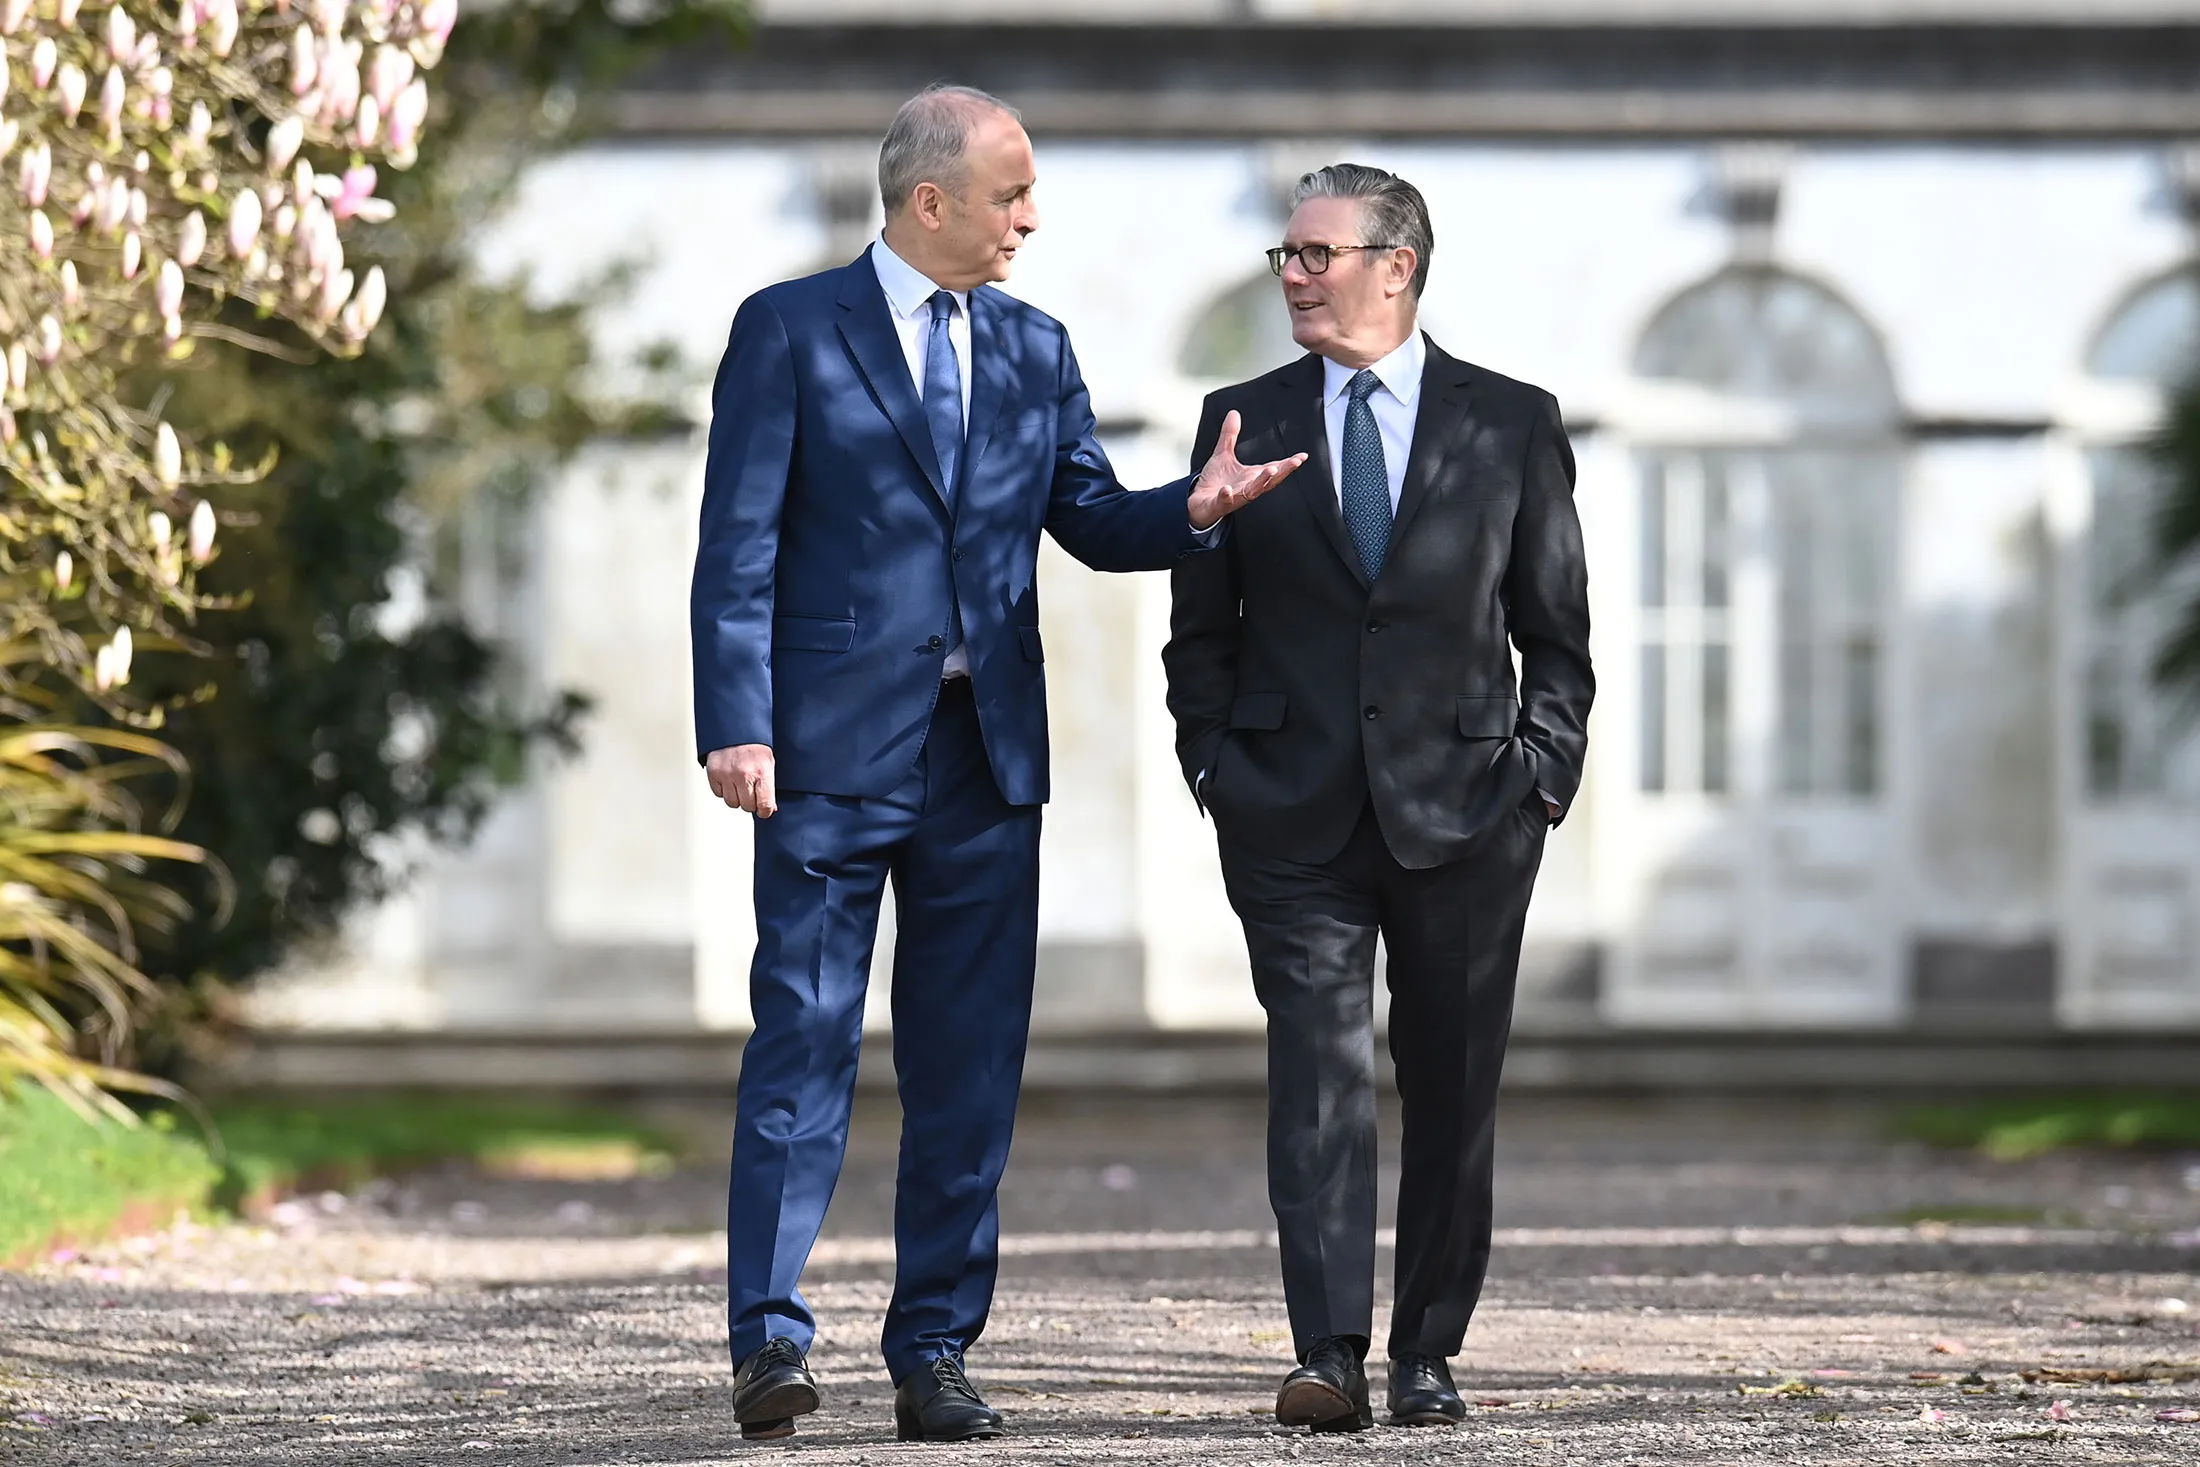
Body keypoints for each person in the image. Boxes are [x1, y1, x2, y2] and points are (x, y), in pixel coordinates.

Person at [691, 84, 1305, 1445]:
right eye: (1011, 192)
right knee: (802, 1042)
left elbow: (1085, 515)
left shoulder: (1035, 346)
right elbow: (737, 543)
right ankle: (768, 1342)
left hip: (984, 761)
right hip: (823, 758)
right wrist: (735, 720)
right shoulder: (788, 329)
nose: (1031, 217)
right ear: (929, 202)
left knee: (968, 1069)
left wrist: (1192, 511)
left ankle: (935, 1350)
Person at [1163, 163, 1593, 1432]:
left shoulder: (1509, 420)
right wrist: (1212, 768)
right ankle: (1328, 1353)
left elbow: (1555, 631)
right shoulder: (1238, 417)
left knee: (1453, 1088)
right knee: (1316, 1080)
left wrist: (1540, 784)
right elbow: (1203, 629)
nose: (1291, 274)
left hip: (1468, 812)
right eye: (1284, 257)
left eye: (1315, 254)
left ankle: (1427, 1351)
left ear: (1394, 266)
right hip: (1288, 813)